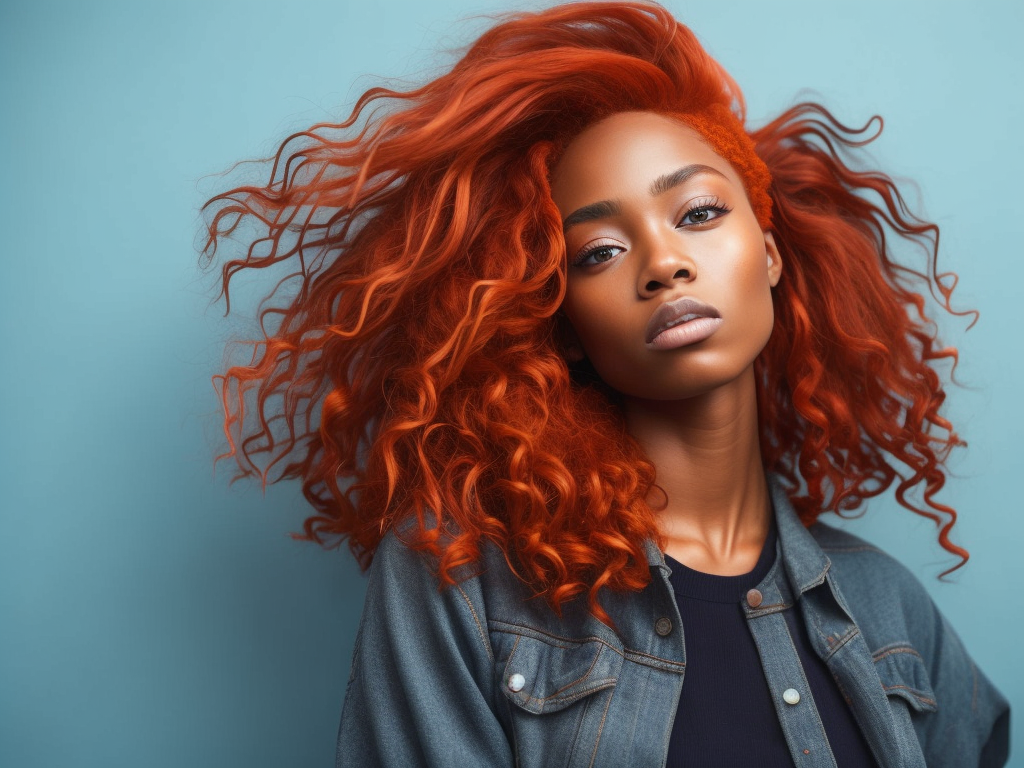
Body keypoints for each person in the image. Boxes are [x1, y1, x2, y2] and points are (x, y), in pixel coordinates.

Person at [202, 2, 1010, 766]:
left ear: (769, 253)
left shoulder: (888, 608)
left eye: (696, 213)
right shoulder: (460, 582)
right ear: (563, 325)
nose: (663, 264)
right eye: (598, 253)